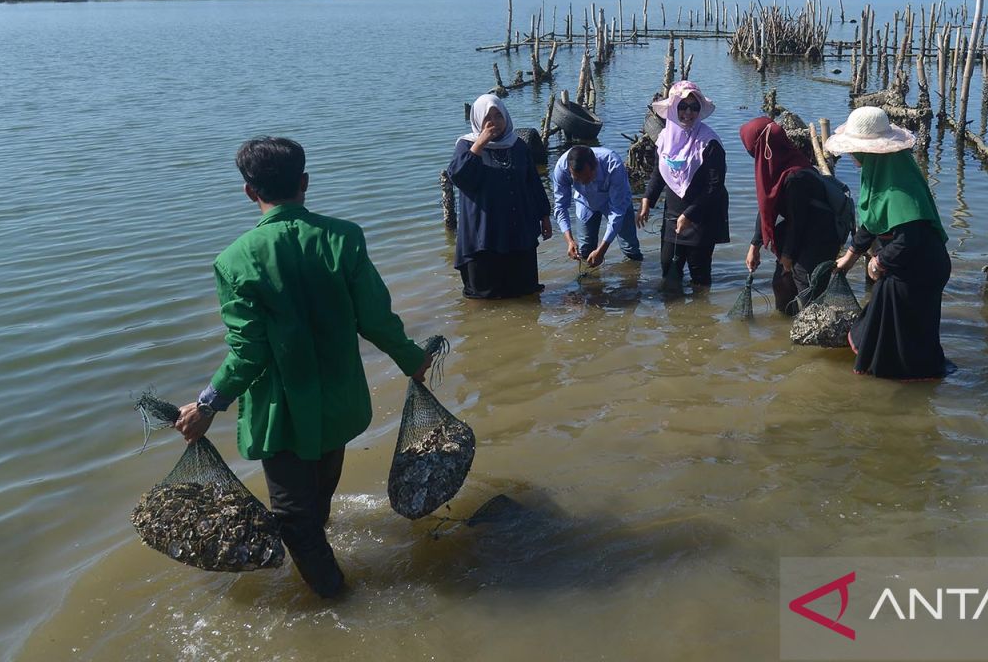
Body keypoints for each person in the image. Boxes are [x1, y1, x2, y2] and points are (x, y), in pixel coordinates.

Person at [175, 137, 431, 598]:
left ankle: (341, 604)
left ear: (249, 192)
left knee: (295, 521)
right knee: (316, 505)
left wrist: (208, 404)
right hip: (339, 404)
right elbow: (376, 319)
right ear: (305, 183)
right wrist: (413, 360)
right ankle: (326, 565)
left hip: (285, 416)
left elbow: (249, 351)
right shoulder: (344, 238)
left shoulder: (234, 261)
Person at [826, 106, 951, 380]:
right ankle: (903, 382)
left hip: (921, 267)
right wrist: (850, 256)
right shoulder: (881, 174)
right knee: (892, 323)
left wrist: (879, 261)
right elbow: (872, 221)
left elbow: (910, 238)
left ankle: (915, 380)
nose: (850, 155)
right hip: (908, 263)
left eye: (854, 149)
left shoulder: (898, 187)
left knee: (909, 333)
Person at [448, 93, 552, 298]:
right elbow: (458, 177)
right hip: (484, 233)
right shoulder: (467, 146)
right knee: (484, 297)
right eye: (488, 118)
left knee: (524, 293)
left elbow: (533, 184)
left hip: (519, 230)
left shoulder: (518, 145)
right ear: (478, 119)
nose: (493, 122)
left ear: (506, 117)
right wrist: (480, 143)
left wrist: (545, 216)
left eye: (498, 116)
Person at [739, 117, 843, 315]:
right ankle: (785, 337)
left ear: (763, 149)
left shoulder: (796, 176)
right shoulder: (779, 169)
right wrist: (755, 246)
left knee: (807, 293)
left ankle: (812, 337)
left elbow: (799, 221)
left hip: (819, 238)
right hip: (801, 232)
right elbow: (767, 209)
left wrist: (787, 256)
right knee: (781, 284)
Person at [635, 80, 729, 288]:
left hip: (701, 218)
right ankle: (674, 319)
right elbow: (660, 172)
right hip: (672, 215)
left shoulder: (709, 143)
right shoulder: (664, 138)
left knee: (699, 275)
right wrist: (647, 200)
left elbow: (715, 187)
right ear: (673, 107)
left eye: (694, 107)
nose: (688, 112)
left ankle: (702, 318)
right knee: (668, 268)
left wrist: (690, 214)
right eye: (683, 106)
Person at [552, 145, 642, 267]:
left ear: (595, 166)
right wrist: (569, 241)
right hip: (585, 201)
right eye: (578, 179)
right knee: (584, 250)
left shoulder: (613, 165)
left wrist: (602, 250)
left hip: (615, 202)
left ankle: (636, 280)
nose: (583, 181)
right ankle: (591, 283)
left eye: (587, 177)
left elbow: (617, 211)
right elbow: (560, 206)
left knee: (629, 247)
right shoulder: (561, 168)